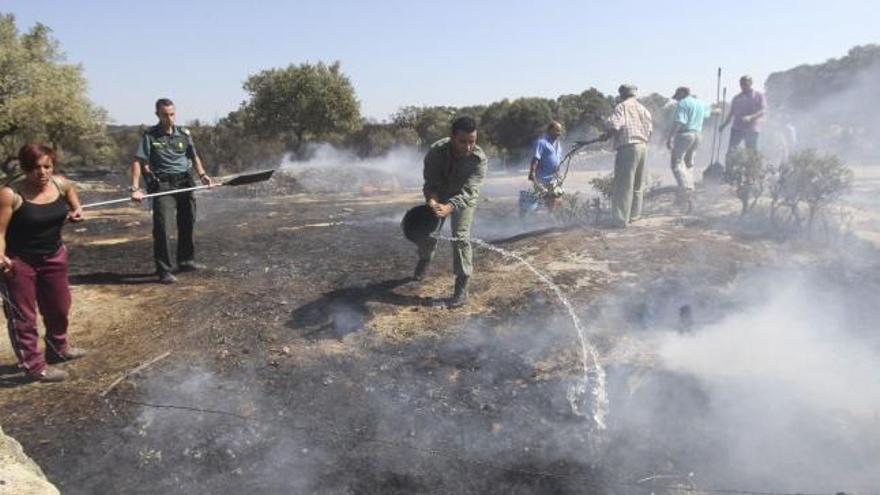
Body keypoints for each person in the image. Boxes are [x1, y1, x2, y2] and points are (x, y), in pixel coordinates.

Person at [0, 144, 86, 382]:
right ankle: (34, 366)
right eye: (36, 168)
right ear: (26, 169)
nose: (43, 172)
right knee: (23, 317)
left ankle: (58, 348)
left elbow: (73, 201)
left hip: (54, 256)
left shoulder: (61, 184)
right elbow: (0, 232)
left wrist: (77, 211)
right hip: (19, 262)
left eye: (47, 166)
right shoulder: (10, 194)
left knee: (59, 308)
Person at [130, 98, 213, 284]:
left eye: (172, 114)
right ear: (157, 115)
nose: (169, 118)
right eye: (165, 115)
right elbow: (137, 161)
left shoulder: (184, 134)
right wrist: (135, 187)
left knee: (187, 222)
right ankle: (164, 270)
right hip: (163, 186)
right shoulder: (150, 136)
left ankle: (185, 260)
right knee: (163, 228)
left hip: (185, 182)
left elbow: (193, 155)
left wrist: (202, 175)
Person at [414, 116, 488, 308]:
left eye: (472, 142)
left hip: (463, 199)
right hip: (440, 195)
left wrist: (450, 207)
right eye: (463, 141)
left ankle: (461, 287)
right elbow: (430, 183)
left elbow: (470, 192)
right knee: (429, 232)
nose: (468, 147)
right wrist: (432, 201)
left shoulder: (479, 160)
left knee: (461, 237)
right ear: (452, 137)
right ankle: (425, 258)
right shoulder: (436, 152)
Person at [604, 84, 653, 227]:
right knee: (638, 183)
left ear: (621, 94)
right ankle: (634, 216)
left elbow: (614, 125)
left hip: (628, 147)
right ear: (635, 94)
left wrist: (607, 134)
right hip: (643, 147)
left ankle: (619, 220)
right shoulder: (644, 110)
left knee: (623, 185)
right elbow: (650, 131)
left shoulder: (621, 107)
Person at [666, 86, 712, 212]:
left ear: (682, 93)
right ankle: (689, 188)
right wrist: (717, 110)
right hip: (697, 135)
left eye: (677, 96)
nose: (677, 99)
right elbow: (708, 113)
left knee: (676, 163)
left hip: (685, 134)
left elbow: (679, 121)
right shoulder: (700, 103)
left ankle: (686, 190)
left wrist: (670, 137)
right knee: (688, 164)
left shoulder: (683, 103)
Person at [719, 75, 766, 152]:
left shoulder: (758, 96)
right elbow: (731, 114)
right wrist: (724, 125)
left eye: (745, 84)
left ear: (751, 83)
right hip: (737, 128)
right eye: (741, 84)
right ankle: (730, 163)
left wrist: (751, 117)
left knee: (751, 152)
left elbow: (763, 111)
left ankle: (751, 164)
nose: (743, 86)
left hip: (752, 129)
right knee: (731, 151)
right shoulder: (736, 98)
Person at [527, 121, 565, 210]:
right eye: (557, 131)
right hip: (541, 177)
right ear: (550, 130)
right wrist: (532, 172)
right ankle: (532, 218)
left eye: (560, 131)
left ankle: (551, 216)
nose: (559, 133)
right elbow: (536, 158)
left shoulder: (558, 144)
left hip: (554, 177)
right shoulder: (541, 143)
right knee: (542, 199)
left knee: (557, 198)